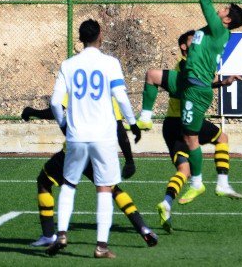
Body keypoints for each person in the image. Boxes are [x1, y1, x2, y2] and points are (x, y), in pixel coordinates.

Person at [47, 19, 141, 259]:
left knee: (69, 185)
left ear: (80, 38)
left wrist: (64, 124)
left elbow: (55, 102)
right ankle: (101, 246)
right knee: (104, 189)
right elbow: (120, 97)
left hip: (77, 135)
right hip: (104, 137)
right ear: (100, 35)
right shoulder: (110, 63)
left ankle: (61, 233)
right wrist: (132, 123)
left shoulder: (68, 65)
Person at [135, 30, 242, 232]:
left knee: (183, 170)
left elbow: (199, 83)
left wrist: (222, 82)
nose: (197, 43)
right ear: (184, 47)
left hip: (171, 125)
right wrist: (219, 81)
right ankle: (222, 183)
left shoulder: (193, 66)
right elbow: (190, 82)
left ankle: (166, 204)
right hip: (186, 120)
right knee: (222, 138)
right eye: (192, 40)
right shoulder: (185, 65)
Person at [20, 103, 158, 248]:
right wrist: (129, 160)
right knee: (111, 188)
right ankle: (142, 227)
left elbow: (56, 108)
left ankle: (50, 235)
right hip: (99, 149)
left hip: (76, 148)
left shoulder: (76, 81)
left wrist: (32, 111)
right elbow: (119, 128)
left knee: (44, 181)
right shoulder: (107, 88)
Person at [171, 0, 242, 205]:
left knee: (190, 138)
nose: (220, 8)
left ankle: (197, 184)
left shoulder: (217, 29)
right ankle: (221, 183)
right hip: (195, 85)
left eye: (224, 9)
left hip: (195, 88)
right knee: (219, 137)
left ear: (227, 19)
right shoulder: (213, 32)